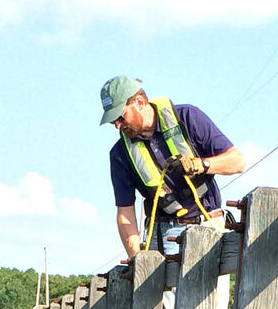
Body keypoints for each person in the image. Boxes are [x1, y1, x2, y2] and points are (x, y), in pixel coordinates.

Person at [100, 75, 246, 262]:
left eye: (120, 116)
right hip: (165, 235)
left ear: (138, 102)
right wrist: (137, 260)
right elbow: (125, 213)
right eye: (113, 122)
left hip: (209, 225)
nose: (118, 125)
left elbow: (237, 162)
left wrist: (199, 165)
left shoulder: (188, 117)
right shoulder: (120, 154)